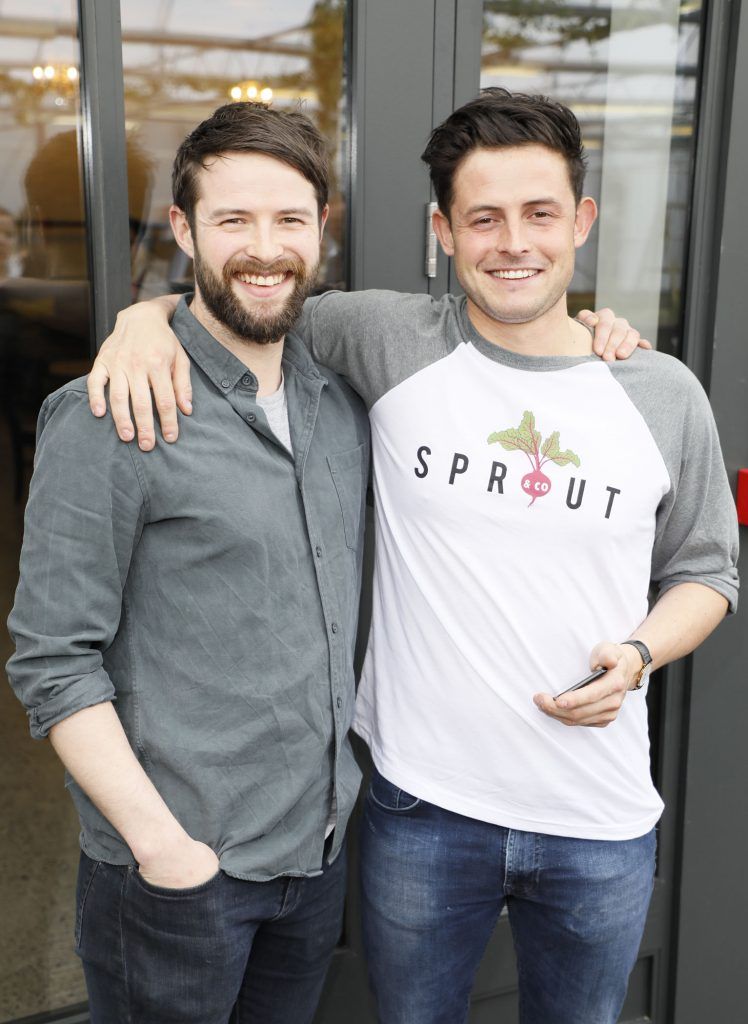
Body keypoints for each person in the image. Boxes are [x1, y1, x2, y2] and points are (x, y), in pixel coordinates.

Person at [85, 90, 739, 1023]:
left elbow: (709, 571)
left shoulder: (662, 391)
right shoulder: (386, 340)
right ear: (444, 230)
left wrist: (640, 654)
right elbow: (248, 290)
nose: (514, 241)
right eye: (484, 217)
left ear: (582, 222)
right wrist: (139, 321)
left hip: (598, 823)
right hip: (419, 812)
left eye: (541, 214)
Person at [6, 102, 370, 1024]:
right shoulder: (113, 414)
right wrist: (164, 848)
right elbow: (52, 661)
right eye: (232, 220)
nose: (264, 247)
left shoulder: (341, 398)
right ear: (182, 229)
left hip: (315, 854)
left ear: (320, 230)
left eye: (288, 219)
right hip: (177, 877)